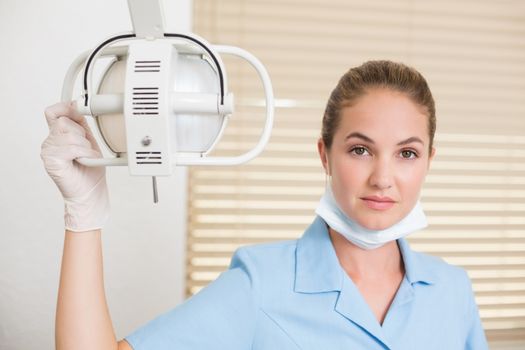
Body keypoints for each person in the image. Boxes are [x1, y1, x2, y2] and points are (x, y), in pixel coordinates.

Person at [41, 60, 489, 349]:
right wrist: (84, 214)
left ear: (429, 161)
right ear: (324, 155)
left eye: (407, 153)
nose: (383, 178)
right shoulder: (261, 285)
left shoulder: (453, 292)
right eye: (360, 149)